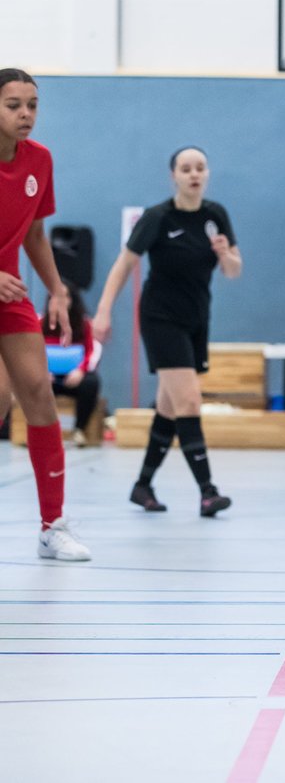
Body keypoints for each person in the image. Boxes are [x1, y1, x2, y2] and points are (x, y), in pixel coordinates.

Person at [92, 146, 242, 516]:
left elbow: (234, 271)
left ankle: (142, 486)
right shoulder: (157, 217)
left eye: (200, 168)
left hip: (196, 319)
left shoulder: (216, 215)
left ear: (207, 173)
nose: (194, 174)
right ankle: (208, 492)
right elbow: (123, 265)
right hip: (161, 318)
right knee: (189, 401)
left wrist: (225, 254)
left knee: (169, 407)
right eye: (186, 168)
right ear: (173, 175)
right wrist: (103, 311)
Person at [0, 68, 91, 560]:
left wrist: (57, 290)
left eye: (32, 105)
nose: (26, 115)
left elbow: (35, 234)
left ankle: (52, 526)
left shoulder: (40, 161)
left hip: (10, 294)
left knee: (38, 393)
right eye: (13, 105)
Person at [41, 282, 102, 447]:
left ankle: (79, 430)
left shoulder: (84, 324)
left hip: (74, 378)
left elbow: (93, 351)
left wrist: (80, 371)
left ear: (72, 300)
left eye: (65, 296)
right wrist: (42, 372)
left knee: (92, 382)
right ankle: (42, 432)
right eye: (55, 296)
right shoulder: (39, 323)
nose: (60, 301)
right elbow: (30, 352)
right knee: (33, 384)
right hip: (49, 379)